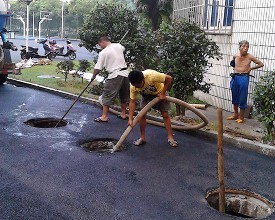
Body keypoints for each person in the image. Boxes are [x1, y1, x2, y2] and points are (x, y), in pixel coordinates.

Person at [127, 69, 178, 147]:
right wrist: (130, 119)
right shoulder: (133, 86)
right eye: (134, 85)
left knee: (165, 114)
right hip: (146, 95)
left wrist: (163, 93)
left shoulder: (151, 76)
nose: (136, 87)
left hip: (159, 92)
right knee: (141, 115)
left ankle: (170, 138)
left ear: (143, 79)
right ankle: (142, 138)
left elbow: (169, 78)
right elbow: (132, 102)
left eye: (138, 85)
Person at [91, 36, 129, 122]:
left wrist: (93, 76)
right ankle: (123, 114)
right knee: (124, 95)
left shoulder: (103, 52)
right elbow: (123, 49)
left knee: (107, 95)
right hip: (125, 74)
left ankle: (104, 117)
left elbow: (98, 68)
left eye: (100, 44)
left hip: (115, 75)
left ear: (102, 42)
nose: (100, 46)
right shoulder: (118, 46)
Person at [227, 40, 264, 123]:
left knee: (242, 97)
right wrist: (234, 68)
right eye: (244, 46)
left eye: (247, 47)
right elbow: (233, 62)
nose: (246, 48)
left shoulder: (250, 57)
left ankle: (241, 117)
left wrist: (251, 68)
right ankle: (235, 115)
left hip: (244, 78)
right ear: (240, 47)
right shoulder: (235, 55)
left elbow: (261, 64)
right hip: (235, 77)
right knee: (234, 96)